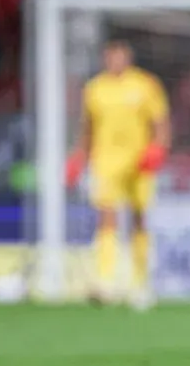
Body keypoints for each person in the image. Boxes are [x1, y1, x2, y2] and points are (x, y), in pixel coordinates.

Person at [68, 39, 171, 309]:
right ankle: (105, 281)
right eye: (111, 57)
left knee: (139, 218)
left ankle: (141, 283)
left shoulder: (145, 84)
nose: (115, 61)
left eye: (120, 56)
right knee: (107, 218)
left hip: (139, 161)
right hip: (106, 162)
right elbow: (87, 127)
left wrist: (158, 148)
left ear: (128, 57)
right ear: (105, 58)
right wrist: (80, 156)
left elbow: (160, 122)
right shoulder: (95, 88)